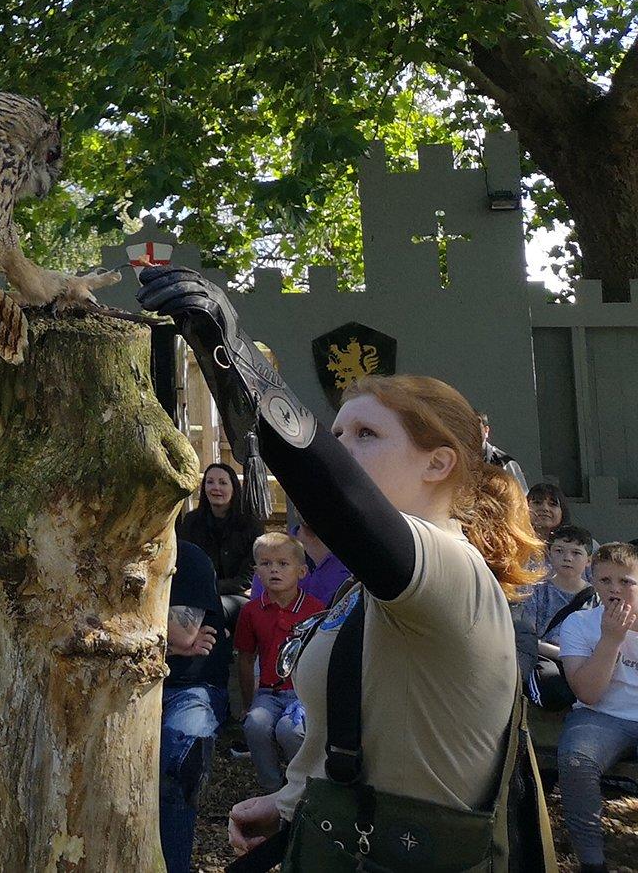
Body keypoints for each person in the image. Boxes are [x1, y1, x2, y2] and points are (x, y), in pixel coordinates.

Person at [138, 267, 539, 864]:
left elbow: (336, 490)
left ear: (438, 465)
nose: (345, 449)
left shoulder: (452, 567)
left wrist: (234, 349)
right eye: (339, 433)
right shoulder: (366, 586)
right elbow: (369, 732)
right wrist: (289, 801)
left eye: (368, 434)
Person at [555, 541, 638, 873]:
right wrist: (611, 640)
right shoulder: (579, 624)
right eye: (605, 581)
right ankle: (592, 862)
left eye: (626, 581)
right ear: (593, 581)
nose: (614, 590)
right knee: (576, 760)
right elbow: (588, 693)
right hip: (601, 716)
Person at [233, 532, 324, 792]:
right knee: (255, 724)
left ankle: (305, 787)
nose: (274, 570)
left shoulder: (315, 609)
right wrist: (247, 702)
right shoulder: (251, 612)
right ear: (257, 571)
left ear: (302, 571)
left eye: (283, 564)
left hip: (302, 694)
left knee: (289, 730)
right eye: (266, 564)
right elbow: (246, 658)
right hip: (268, 692)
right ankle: (272, 790)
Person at [160, 539, 224, 873]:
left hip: (192, 687)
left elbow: (184, 634)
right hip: (126, 680)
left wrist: (172, 646)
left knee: (178, 754)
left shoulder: (188, 556)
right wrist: (168, 648)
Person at [519, 523, 595, 709]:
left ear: (588, 561)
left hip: (585, 659)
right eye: (559, 551)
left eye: (576, 553)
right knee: (553, 690)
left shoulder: (596, 595)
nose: (567, 558)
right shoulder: (536, 590)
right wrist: (564, 655)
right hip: (548, 656)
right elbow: (529, 638)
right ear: (550, 554)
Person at [175, 463, 262, 610]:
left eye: (222, 483)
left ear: (233, 488)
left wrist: (211, 587)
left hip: (238, 595)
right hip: (196, 592)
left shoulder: (250, 525)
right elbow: (183, 561)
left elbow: (249, 576)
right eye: (210, 482)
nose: (216, 488)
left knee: (215, 608)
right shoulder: (191, 521)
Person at [478, 411, 528, 490]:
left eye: (476, 428)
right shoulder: (457, 460)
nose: (472, 432)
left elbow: (521, 497)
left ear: (486, 431)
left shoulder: (505, 463)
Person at [525, 481, 570, 546]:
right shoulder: (512, 542)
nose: (545, 508)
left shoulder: (575, 545)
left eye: (552, 504)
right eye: (537, 502)